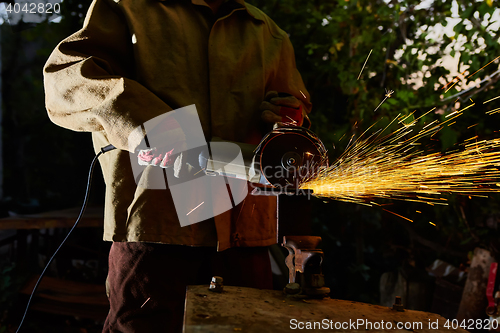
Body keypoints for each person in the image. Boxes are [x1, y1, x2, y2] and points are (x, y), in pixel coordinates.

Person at [43, 0, 311, 331]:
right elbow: (67, 79)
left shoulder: (268, 33)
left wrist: (286, 117)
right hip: (158, 227)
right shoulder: (129, 8)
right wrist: (153, 127)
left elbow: (291, 103)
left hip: (244, 233)